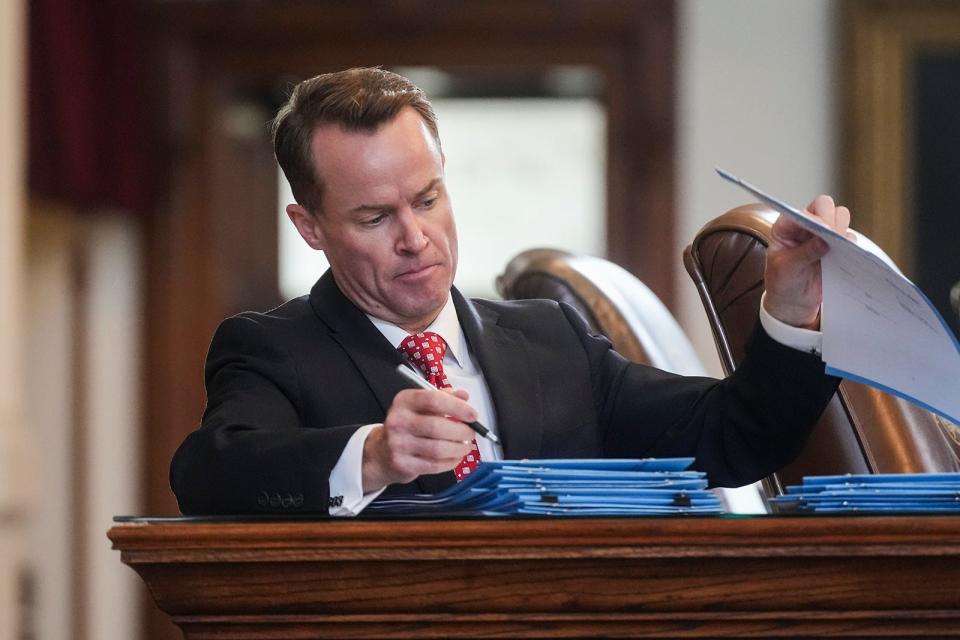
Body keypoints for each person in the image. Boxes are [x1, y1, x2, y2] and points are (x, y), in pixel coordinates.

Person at [170, 67, 845, 516]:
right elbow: (207, 474)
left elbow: (735, 435)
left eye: (427, 199)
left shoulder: (551, 337)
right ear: (310, 228)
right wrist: (372, 455)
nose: (416, 237)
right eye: (375, 218)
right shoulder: (273, 351)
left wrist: (788, 311)